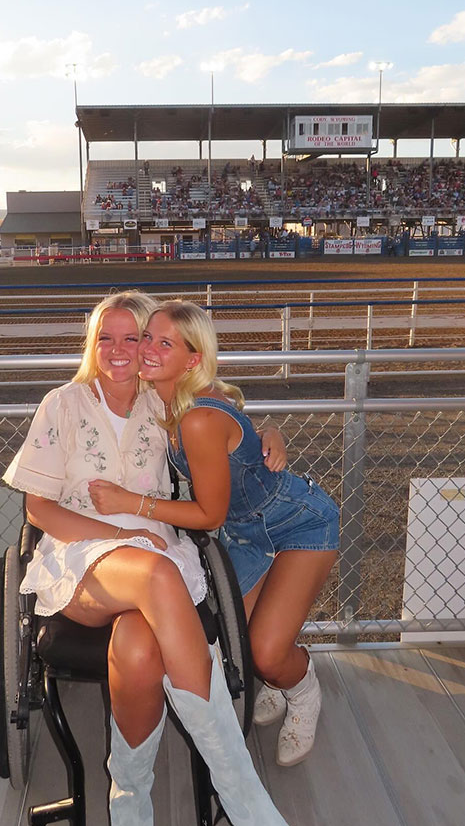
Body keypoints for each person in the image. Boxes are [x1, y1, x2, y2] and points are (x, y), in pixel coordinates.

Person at [3, 291, 290, 826]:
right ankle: (249, 805)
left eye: (132, 338)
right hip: (84, 557)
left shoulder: (164, 402)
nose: (118, 349)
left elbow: (229, 416)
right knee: (155, 571)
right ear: (93, 344)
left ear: (146, 346)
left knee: (137, 649)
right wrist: (117, 531)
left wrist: (272, 434)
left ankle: (129, 803)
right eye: (105, 338)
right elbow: (38, 507)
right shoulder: (61, 404)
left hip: (158, 558)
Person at [89, 299, 340, 769]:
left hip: (298, 524)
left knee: (264, 652)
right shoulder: (164, 401)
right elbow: (240, 423)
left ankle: (301, 686)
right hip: (247, 533)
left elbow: (207, 513)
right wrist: (269, 428)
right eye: (148, 337)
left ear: (193, 359)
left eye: (165, 343)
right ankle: (280, 676)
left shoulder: (196, 417)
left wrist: (130, 503)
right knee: (236, 638)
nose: (146, 349)